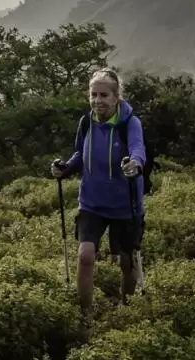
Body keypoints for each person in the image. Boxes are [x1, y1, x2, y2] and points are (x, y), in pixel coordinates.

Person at [51, 67, 146, 313]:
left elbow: (138, 150)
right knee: (85, 256)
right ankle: (86, 314)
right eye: (94, 95)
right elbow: (79, 155)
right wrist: (65, 169)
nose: (97, 101)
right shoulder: (86, 123)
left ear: (116, 97)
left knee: (127, 263)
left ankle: (127, 308)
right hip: (91, 202)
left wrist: (135, 165)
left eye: (104, 95)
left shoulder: (130, 123)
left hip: (125, 205)